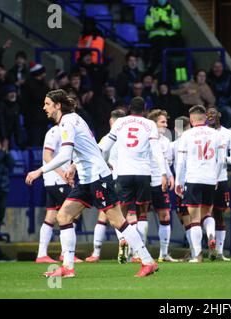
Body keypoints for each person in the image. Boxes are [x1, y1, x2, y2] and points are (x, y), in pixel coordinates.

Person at [25, 89, 159, 278]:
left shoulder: (68, 122)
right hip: (87, 178)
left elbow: (64, 153)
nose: (44, 107)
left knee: (117, 221)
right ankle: (68, 268)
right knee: (63, 216)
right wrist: (74, 166)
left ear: (57, 105)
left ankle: (147, 261)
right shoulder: (73, 119)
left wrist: (40, 170)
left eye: (47, 104)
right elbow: (88, 148)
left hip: (98, 177)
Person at [98, 97, 168, 265]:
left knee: (120, 212)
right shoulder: (149, 124)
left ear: (129, 108)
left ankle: (122, 239)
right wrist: (164, 173)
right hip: (143, 173)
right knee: (141, 213)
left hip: (123, 173)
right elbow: (156, 150)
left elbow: (105, 146)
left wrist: (104, 164)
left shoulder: (120, 122)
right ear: (144, 110)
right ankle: (138, 251)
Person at [175, 105, 225, 263]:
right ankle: (211, 235)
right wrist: (216, 177)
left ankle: (197, 255)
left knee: (195, 219)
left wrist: (178, 181)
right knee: (207, 214)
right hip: (210, 179)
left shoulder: (187, 135)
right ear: (205, 118)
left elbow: (181, 161)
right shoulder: (216, 134)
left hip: (193, 179)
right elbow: (221, 160)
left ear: (191, 119)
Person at [35, 124, 83, 264]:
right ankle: (65, 253)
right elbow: (47, 156)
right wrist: (63, 174)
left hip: (55, 180)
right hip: (56, 180)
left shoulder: (67, 130)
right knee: (74, 212)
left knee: (51, 215)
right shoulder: (54, 132)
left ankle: (42, 254)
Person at [85, 108, 127, 263]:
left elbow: (97, 153)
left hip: (110, 179)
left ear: (111, 122)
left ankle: (96, 253)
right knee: (126, 216)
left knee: (104, 215)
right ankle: (133, 251)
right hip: (127, 179)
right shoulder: (128, 139)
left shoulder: (107, 138)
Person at [206, 106, 231, 261]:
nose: (210, 115)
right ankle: (199, 249)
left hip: (221, 179)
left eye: (213, 113)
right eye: (208, 113)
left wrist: (222, 159)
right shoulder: (203, 133)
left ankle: (219, 252)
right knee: (203, 214)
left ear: (219, 114)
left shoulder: (228, 133)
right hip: (204, 179)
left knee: (219, 215)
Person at [147, 109, 177, 262]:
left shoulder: (166, 142)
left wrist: (170, 176)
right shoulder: (144, 138)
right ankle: (138, 254)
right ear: (153, 123)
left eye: (166, 122)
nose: (166, 125)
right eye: (162, 122)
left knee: (165, 215)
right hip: (145, 181)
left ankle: (163, 254)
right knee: (139, 217)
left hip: (160, 182)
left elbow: (165, 162)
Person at [169, 116, 191, 259]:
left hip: (182, 184)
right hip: (201, 181)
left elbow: (168, 163)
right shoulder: (197, 141)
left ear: (176, 129)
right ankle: (196, 246)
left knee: (186, 216)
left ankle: (194, 250)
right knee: (201, 215)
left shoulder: (174, 145)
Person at [145, 0, 182, 74]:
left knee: (181, 41)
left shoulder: (172, 9)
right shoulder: (151, 9)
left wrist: (169, 25)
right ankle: (164, 68)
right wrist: (156, 24)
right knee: (162, 45)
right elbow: (148, 25)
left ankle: (177, 67)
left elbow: (177, 25)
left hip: (170, 34)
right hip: (156, 34)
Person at [21, 62, 49, 146]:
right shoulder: (29, 84)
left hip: (42, 119)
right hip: (33, 119)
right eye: (43, 72)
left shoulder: (42, 84)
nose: (45, 74)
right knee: (35, 143)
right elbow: (38, 97)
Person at [0, 84, 25, 150]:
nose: (13, 94)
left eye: (14, 92)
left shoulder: (16, 107)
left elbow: (16, 125)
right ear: (6, 95)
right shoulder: (1, 106)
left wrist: (19, 142)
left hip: (8, 135)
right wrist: (4, 138)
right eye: (10, 92)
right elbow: (1, 123)